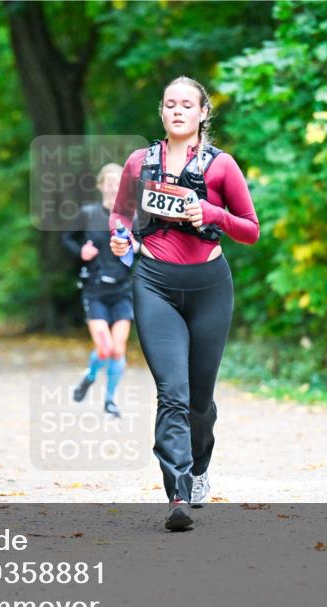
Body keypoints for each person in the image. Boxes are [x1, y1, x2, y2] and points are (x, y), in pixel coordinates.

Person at [109, 76, 260, 531]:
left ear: (202, 113)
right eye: (170, 104)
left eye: (186, 104)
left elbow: (250, 229)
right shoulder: (140, 162)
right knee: (171, 394)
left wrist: (210, 213)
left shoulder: (221, 167)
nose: (178, 111)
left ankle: (199, 466)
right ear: (161, 113)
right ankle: (177, 493)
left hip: (210, 286)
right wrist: (119, 238)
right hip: (153, 282)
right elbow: (120, 214)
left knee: (199, 400)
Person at [62, 163, 132, 418]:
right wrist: (81, 252)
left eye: (119, 182)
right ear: (101, 185)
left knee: (118, 348)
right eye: (110, 182)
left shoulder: (130, 217)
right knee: (104, 348)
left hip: (123, 291)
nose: (114, 186)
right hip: (94, 290)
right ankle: (90, 376)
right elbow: (67, 239)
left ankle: (110, 401)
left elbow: (144, 248)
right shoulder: (88, 213)